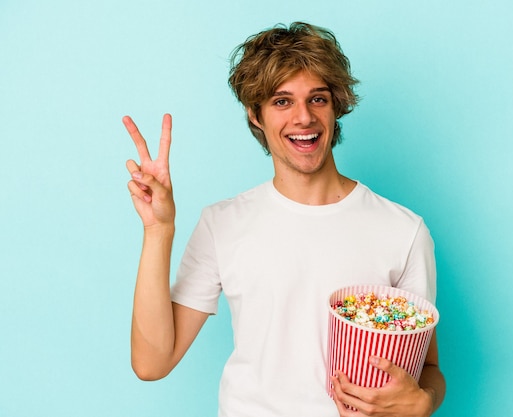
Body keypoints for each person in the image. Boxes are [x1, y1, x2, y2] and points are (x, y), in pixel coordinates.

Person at [124, 22, 445, 417]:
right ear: (255, 115)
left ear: (336, 106)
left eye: (318, 99)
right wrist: (158, 230)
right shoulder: (222, 223)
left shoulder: (404, 230)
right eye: (281, 101)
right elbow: (152, 363)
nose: (303, 118)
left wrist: (424, 402)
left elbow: (427, 369)